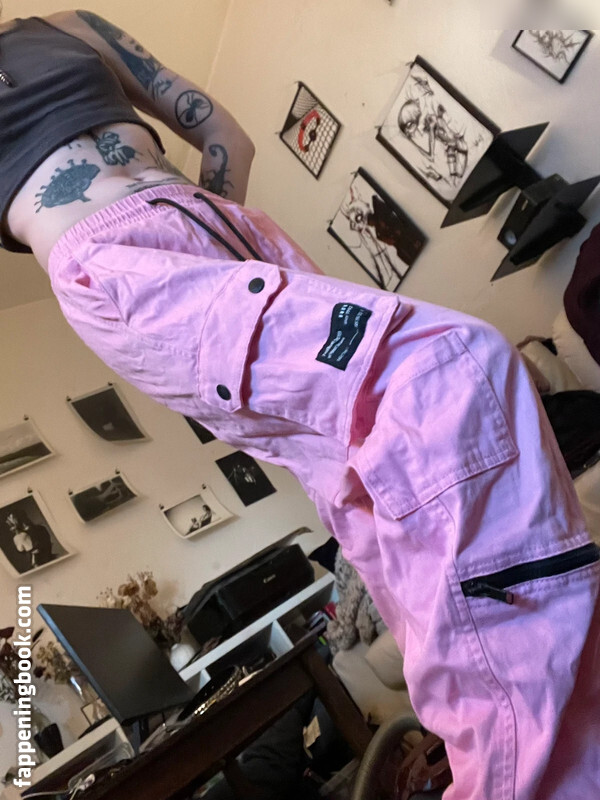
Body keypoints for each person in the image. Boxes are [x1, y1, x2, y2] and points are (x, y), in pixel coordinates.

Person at [1, 10, 599, 799]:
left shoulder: (62, 23)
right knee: (447, 375)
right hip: (120, 270)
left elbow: (225, 136)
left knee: (369, 491)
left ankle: (535, 751)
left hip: (227, 235)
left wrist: (218, 255)